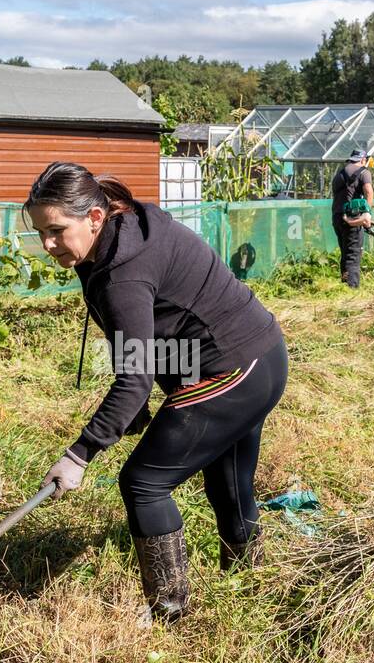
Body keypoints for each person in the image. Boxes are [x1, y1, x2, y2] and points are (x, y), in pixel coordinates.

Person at [27, 162, 288, 623]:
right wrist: (137, 409)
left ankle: (171, 613)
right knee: (227, 481)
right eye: (40, 232)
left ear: (93, 217)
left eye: (55, 230)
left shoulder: (122, 272)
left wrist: (79, 455)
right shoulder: (122, 229)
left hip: (232, 371)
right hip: (261, 355)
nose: (47, 245)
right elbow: (151, 331)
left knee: (143, 483)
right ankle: (248, 583)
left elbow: (134, 375)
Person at [330, 148, 374, 288]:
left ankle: (344, 284)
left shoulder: (339, 174)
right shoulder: (364, 172)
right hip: (352, 219)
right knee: (353, 254)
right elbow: (368, 192)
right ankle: (351, 289)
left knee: (345, 253)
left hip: (337, 217)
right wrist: (367, 213)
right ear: (362, 160)